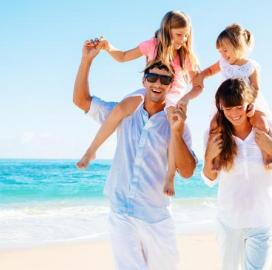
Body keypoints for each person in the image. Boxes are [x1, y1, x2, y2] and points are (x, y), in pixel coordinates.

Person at [73, 41, 196, 270]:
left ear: (171, 86)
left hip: (156, 218)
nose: (158, 83)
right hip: (121, 213)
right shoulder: (124, 111)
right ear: (143, 81)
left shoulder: (176, 121)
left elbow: (187, 172)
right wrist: (87, 60)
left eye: (165, 79)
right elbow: (81, 101)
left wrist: (177, 132)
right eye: (152, 77)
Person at [76, 10, 201, 197]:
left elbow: (198, 86)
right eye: (179, 35)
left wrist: (185, 99)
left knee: (172, 130)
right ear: (167, 31)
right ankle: (91, 150)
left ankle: (170, 176)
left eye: (186, 35)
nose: (183, 39)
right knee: (120, 108)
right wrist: (108, 48)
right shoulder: (152, 45)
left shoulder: (186, 56)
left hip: (173, 96)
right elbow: (124, 56)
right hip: (150, 92)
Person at [202, 78, 272, 270]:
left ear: (249, 104)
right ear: (220, 107)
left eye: (238, 107)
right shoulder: (215, 135)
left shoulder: (268, 129)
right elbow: (209, 179)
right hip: (229, 223)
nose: (234, 114)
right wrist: (209, 156)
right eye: (228, 109)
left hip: (264, 221)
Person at [190, 23, 272, 170]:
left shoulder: (250, 67)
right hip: (226, 104)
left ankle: (267, 156)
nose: (222, 54)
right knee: (215, 125)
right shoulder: (223, 62)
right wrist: (201, 75)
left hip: (246, 103)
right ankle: (216, 158)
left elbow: (256, 88)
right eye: (220, 51)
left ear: (238, 46)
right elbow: (210, 70)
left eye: (225, 50)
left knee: (262, 122)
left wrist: (251, 105)